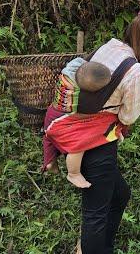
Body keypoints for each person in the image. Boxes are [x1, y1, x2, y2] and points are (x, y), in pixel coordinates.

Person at [51, 11, 140, 254]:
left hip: (70, 125)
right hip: (95, 140)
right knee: (95, 214)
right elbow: (128, 117)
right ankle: (93, 252)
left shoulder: (112, 46)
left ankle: (100, 250)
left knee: (119, 194)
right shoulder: (136, 71)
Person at [47, 59, 113, 188]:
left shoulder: (72, 66)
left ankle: (50, 161)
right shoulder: (78, 97)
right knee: (78, 145)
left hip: (51, 112)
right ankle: (73, 173)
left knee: (48, 137)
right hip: (61, 120)